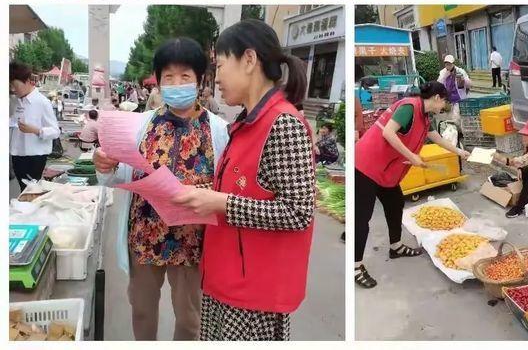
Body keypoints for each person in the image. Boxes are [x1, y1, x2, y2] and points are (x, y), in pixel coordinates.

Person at [172, 19, 316, 341]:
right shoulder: (246, 123)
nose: (216, 78)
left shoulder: (283, 125)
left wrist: (219, 202)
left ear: (249, 60)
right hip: (225, 280)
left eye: (220, 66)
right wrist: (204, 197)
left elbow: (297, 212)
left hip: (252, 297)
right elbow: (245, 189)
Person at [93, 38, 229, 341]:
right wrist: (106, 165)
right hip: (144, 236)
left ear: (199, 80)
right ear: (158, 81)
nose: (176, 83)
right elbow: (119, 174)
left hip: (193, 241)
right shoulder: (141, 125)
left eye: (185, 76)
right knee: (141, 310)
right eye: (168, 77)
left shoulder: (219, 130)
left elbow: (226, 185)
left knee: (190, 318)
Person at [354, 81, 471, 288]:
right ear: (436, 98)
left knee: (395, 203)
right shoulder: (409, 107)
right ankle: (356, 266)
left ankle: (396, 246)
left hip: (386, 169)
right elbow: (388, 133)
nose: (444, 105)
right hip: (366, 165)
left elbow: (436, 137)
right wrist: (412, 157)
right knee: (362, 217)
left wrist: (459, 152)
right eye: (444, 101)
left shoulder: (426, 116)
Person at [10, 62, 61, 191]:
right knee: (24, 190)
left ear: (27, 81)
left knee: (32, 190)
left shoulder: (42, 102)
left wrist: (35, 130)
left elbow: (55, 131)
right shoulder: (15, 101)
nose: (13, 90)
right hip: (17, 154)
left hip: (35, 156)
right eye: (10, 86)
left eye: (15, 85)